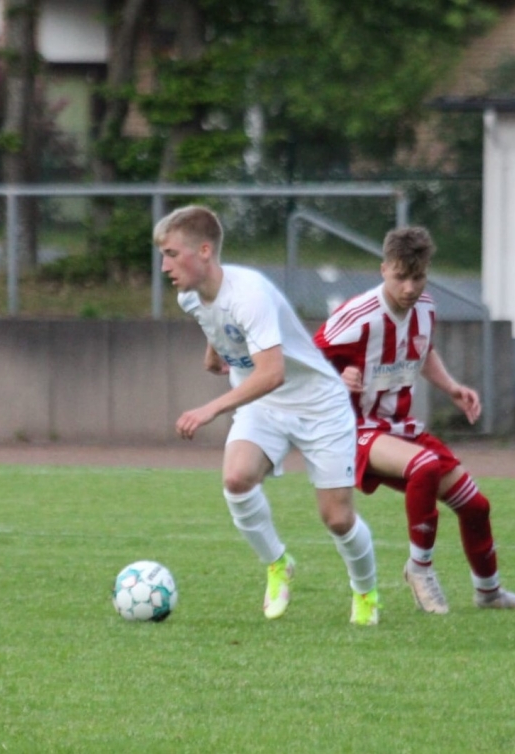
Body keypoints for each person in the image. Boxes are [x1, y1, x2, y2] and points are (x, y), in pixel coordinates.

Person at [157, 205, 381, 625]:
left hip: (319, 405)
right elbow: (216, 324)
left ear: (204, 251)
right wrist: (215, 356)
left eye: (171, 254)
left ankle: (366, 591)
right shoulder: (190, 295)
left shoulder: (250, 294)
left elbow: (273, 372)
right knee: (236, 479)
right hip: (263, 404)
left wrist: (211, 407)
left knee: (337, 517)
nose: (165, 265)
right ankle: (278, 563)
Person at [314, 226, 515, 613]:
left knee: (476, 506)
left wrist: (453, 387)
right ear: (383, 269)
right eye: (400, 277)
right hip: (354, 429)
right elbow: (303, 360)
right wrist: (337, 377)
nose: (409, 287)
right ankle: (419, 569)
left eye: (418, 277)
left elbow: (422, 351)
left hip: (398, 427)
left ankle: (489, 593)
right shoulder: (358, 315)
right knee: (423, 467)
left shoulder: (425, 307)